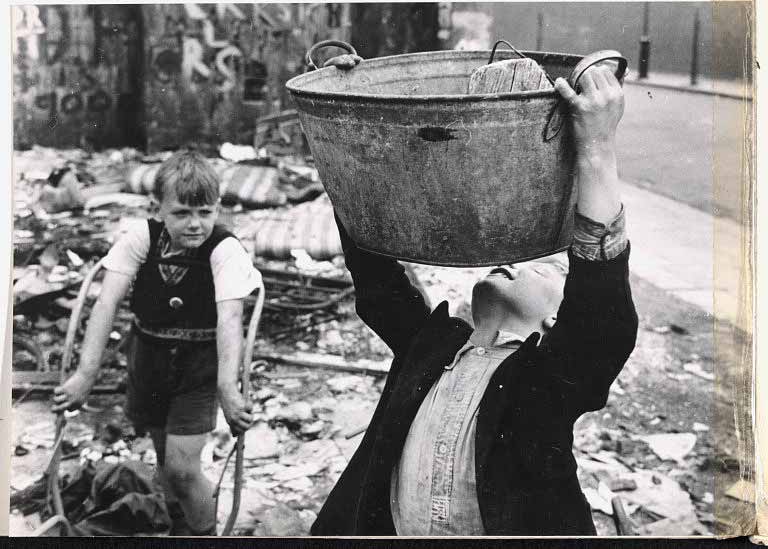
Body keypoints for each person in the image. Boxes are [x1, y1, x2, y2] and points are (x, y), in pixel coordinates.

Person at [311, 64, 639, 535]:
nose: (516, 264)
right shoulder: (426, 349)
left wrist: (598, 146)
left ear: (554, 321)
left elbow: (600, 311)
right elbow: (373, 272)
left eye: (545, 268)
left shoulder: (549, 382)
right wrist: (346, 124)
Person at [53, 149, 262, 536]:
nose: (195, 224)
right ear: (157, 209)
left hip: (199, 368)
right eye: (182, 213)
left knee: (184, 470)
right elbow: (106, 301)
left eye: (205, 212)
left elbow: (230, 318)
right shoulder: (142, 238)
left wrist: (228, 388)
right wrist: (85, 374)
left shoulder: (224, 250)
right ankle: (178, 527)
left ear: (217, 209)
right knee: (165, 458)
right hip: (148, 361)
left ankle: (205, 535)